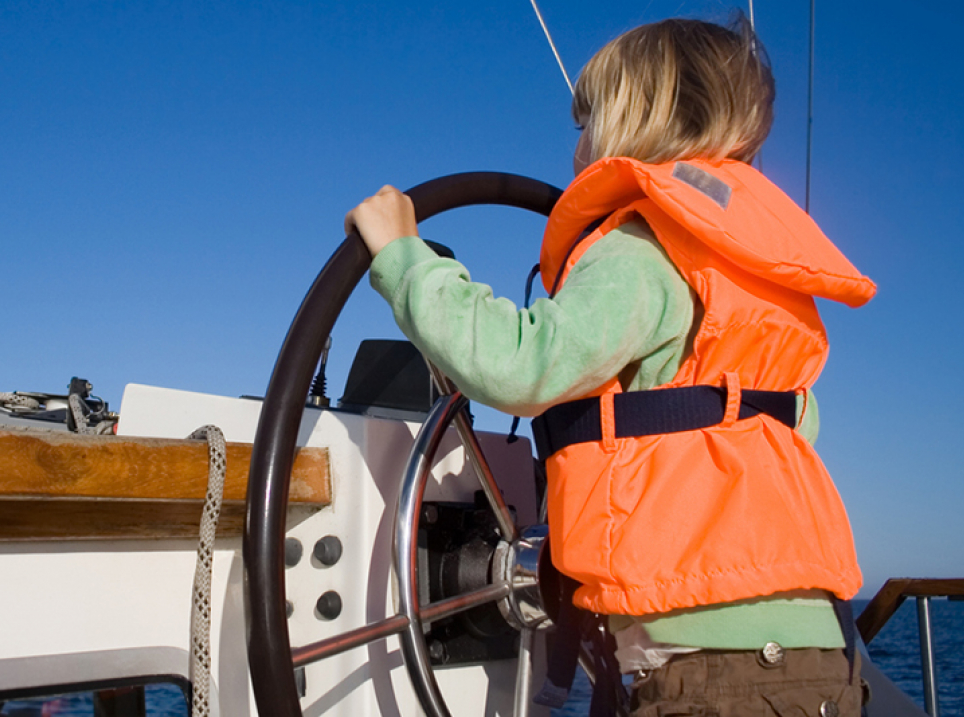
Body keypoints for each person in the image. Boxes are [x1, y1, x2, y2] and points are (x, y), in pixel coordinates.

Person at [346, 17, 875, 717]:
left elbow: (520, 366)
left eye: (584, 121)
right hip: (814, 657)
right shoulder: (749, 272)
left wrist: (402, 257)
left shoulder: (638, 249)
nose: (577, 144)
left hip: (711, 674)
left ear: (633, 117)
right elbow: (791, 424)